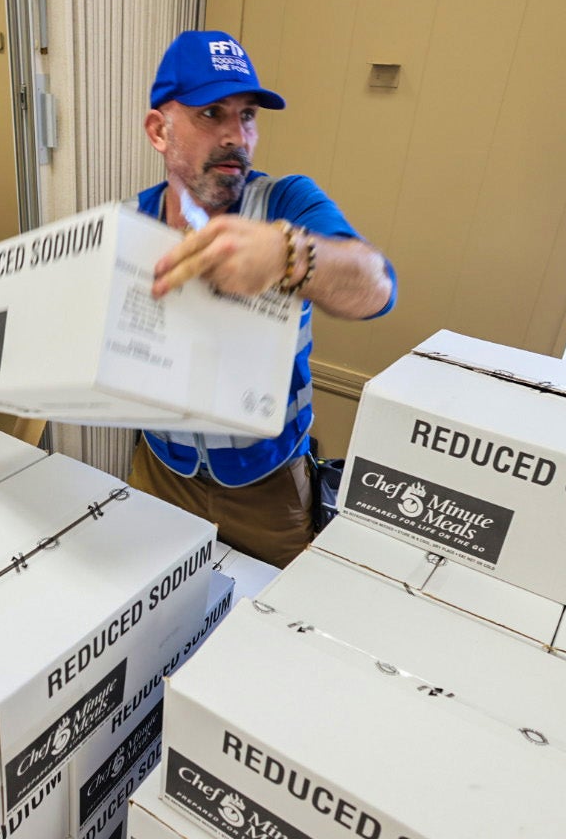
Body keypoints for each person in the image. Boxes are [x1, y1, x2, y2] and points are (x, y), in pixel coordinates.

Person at [128, 30, 396, 567]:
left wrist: (285, 255)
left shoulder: (287, 203)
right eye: (212, 114)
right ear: (160, 130)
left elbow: (377, 285)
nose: (237, 135)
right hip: (160, 470)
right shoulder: (132, 224)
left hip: (270, 489)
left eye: (247, 115)